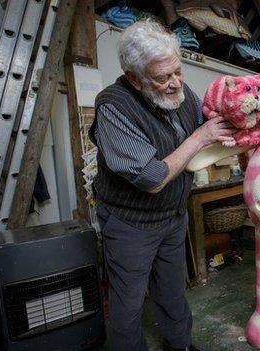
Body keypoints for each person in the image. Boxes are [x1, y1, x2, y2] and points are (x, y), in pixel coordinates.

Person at [90, 20, 234, 351]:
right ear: (133, 78)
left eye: (177, 71)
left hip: (172, 216)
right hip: (131, 224)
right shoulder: (113, 106)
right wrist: (200, 137)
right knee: (127, 306)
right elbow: (152, 178)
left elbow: (210, 123)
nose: (174, 83)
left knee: (171, 290)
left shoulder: (182, 95)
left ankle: (179, 344)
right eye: (162, 77)